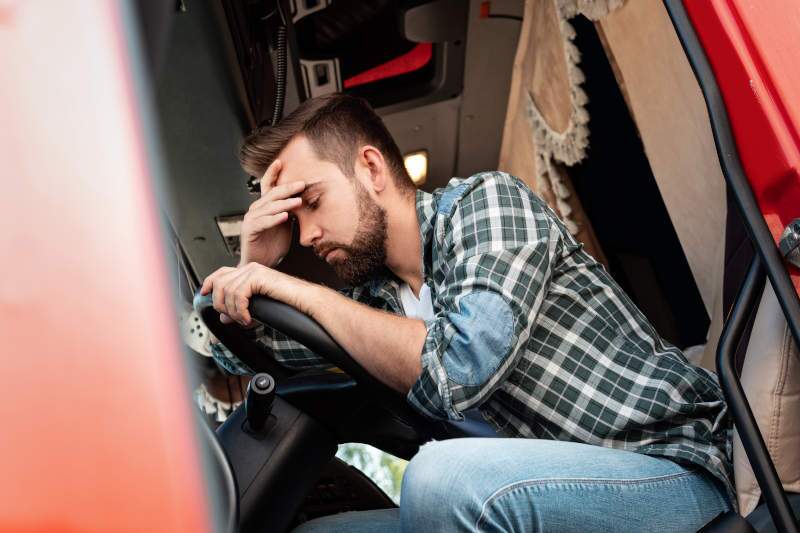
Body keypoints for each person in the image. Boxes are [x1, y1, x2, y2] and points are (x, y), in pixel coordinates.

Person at [199, 93, 733, 532]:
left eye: (311, 202)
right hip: (534, 498)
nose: (307, 235)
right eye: (294, 223)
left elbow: (457, 372)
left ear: (370, 168)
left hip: (670, 473)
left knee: (440, 480)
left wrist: (303, 291)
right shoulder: (372, 304)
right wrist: (253, 266)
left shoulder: (487, 204)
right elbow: (245, 354)